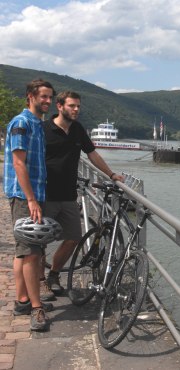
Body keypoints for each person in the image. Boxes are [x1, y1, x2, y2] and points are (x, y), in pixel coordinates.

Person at [42, 91, 125, 294]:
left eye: (78, 106)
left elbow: (92, 154)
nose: (76, 109)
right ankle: (38, 283)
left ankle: (53, 275)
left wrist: (111, 174)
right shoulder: (44, 129)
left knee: (73, 238)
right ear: (60, 106)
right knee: (39, 242)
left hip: (69, 195)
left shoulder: (77, 129)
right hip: (45, 195)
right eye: (72, 106)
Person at [4, 79, 55, 331]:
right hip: (25, 197)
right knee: (32, 252)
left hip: (35, 194)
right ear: (30, 96)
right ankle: (36, 309)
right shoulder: (21, 123)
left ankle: (22, 300)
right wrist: (32, 199)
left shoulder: (38, 124)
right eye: (43, 96)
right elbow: (18, 163)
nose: (47, 101)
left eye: (50, 97)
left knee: (24, 250)